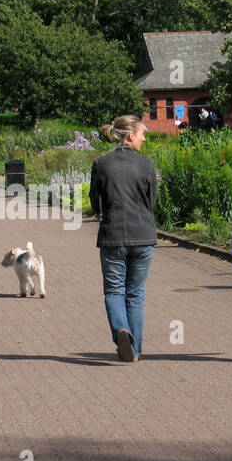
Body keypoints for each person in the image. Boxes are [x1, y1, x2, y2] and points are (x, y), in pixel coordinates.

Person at [88, 114, 157, 362]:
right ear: (130, 136)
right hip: (143, 235)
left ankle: (121, 331)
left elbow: (95, 201)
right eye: (142, 133)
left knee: (115, 291)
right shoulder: (147, 164)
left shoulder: (101, 163)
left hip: (112, 236)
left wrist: (105, 213)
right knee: (135, 294)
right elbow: (151, 202)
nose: (144, 138)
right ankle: (135, 350)